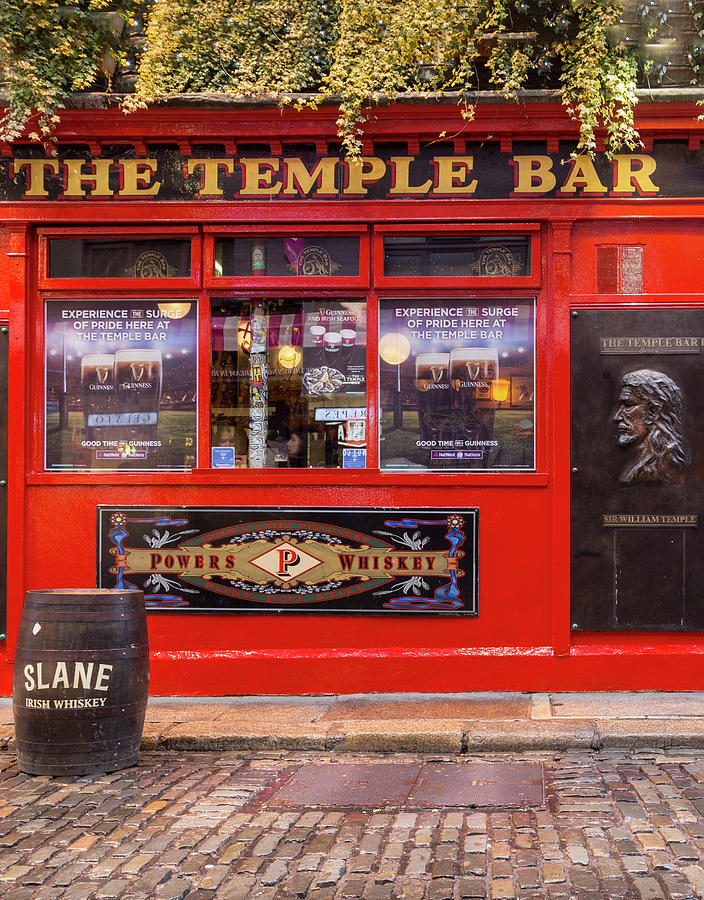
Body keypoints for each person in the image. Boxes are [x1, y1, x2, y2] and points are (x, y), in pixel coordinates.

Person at [614, 369, 689, 484]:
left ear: (653, 411)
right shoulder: (647, 466)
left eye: (628, 405)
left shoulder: (663, 471)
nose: (618, 416)